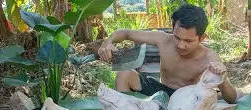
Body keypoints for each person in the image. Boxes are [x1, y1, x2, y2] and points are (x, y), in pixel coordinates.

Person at [98, 4, 240, 103]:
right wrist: (107, 43)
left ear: (202, 38)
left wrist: (224, 79)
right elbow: (126, 33)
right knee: (125, 73)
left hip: (188, 100)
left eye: (188, 41)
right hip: (160, 93)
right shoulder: (163, 39)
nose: (180, 45)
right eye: (177, 37)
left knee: (218, 97)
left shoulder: (210, 58)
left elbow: (231, 98)